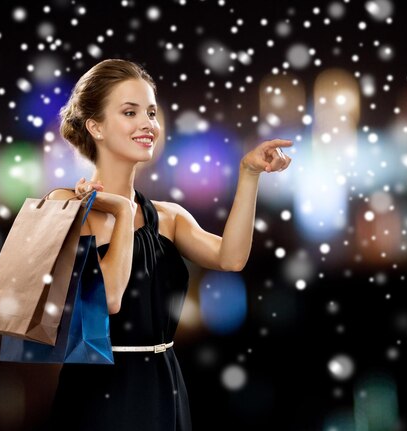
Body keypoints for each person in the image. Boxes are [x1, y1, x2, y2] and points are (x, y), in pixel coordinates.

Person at [45, 58, 292, 430]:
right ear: (94, 126)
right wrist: (123, 214)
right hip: (98, 388)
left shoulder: (168, 216)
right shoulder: (66, 206)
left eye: (151, 112)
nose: (148, 124)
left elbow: (231, 258)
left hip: (164, 382)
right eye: (130, 112)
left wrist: (250, 174)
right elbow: (108, 297)